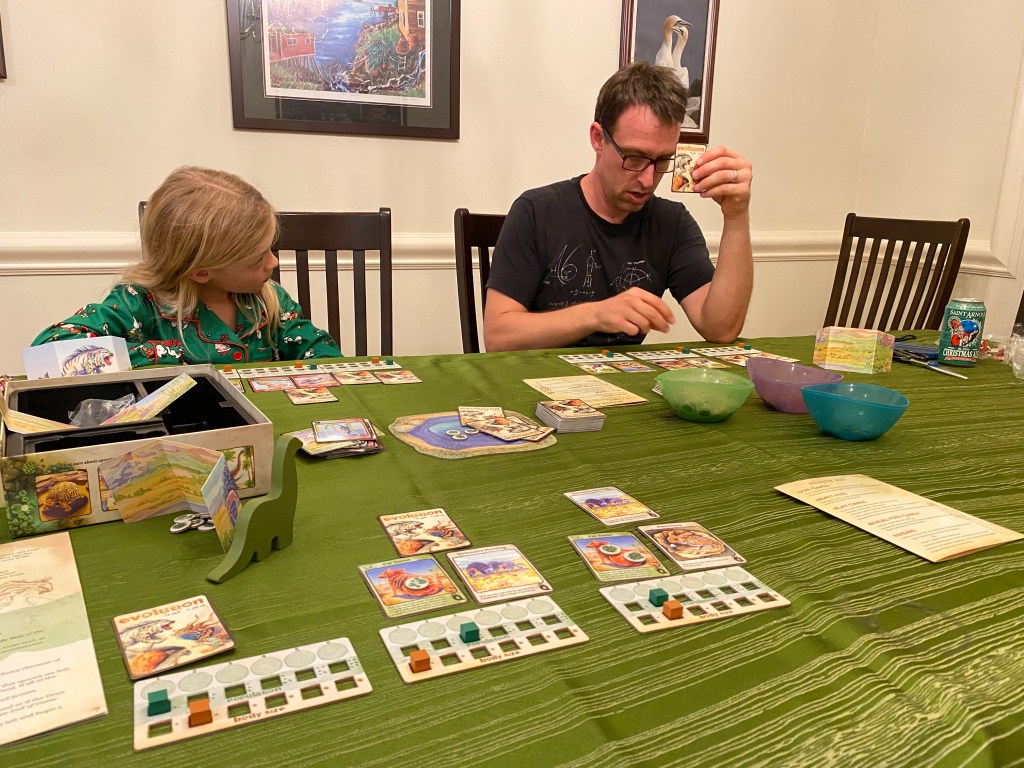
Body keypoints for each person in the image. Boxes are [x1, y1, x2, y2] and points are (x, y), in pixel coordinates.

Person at [483, 61, 754, 351]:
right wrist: (595, 315)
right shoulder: (536, 212)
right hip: (540, 375)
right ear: (598, 138)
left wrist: (736, 217)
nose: (648, 180)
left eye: (662, 160)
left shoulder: (671, 223)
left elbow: (720, 329)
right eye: (634, 157)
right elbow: (498, 337)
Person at [32, 166, 341, 367]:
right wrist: (163, 355)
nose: (273, 262)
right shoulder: (139, 302)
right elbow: (48, 353)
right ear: (201, 271)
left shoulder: (269, 298)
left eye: (270, 249)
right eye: (257, 258)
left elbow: (317, 349)